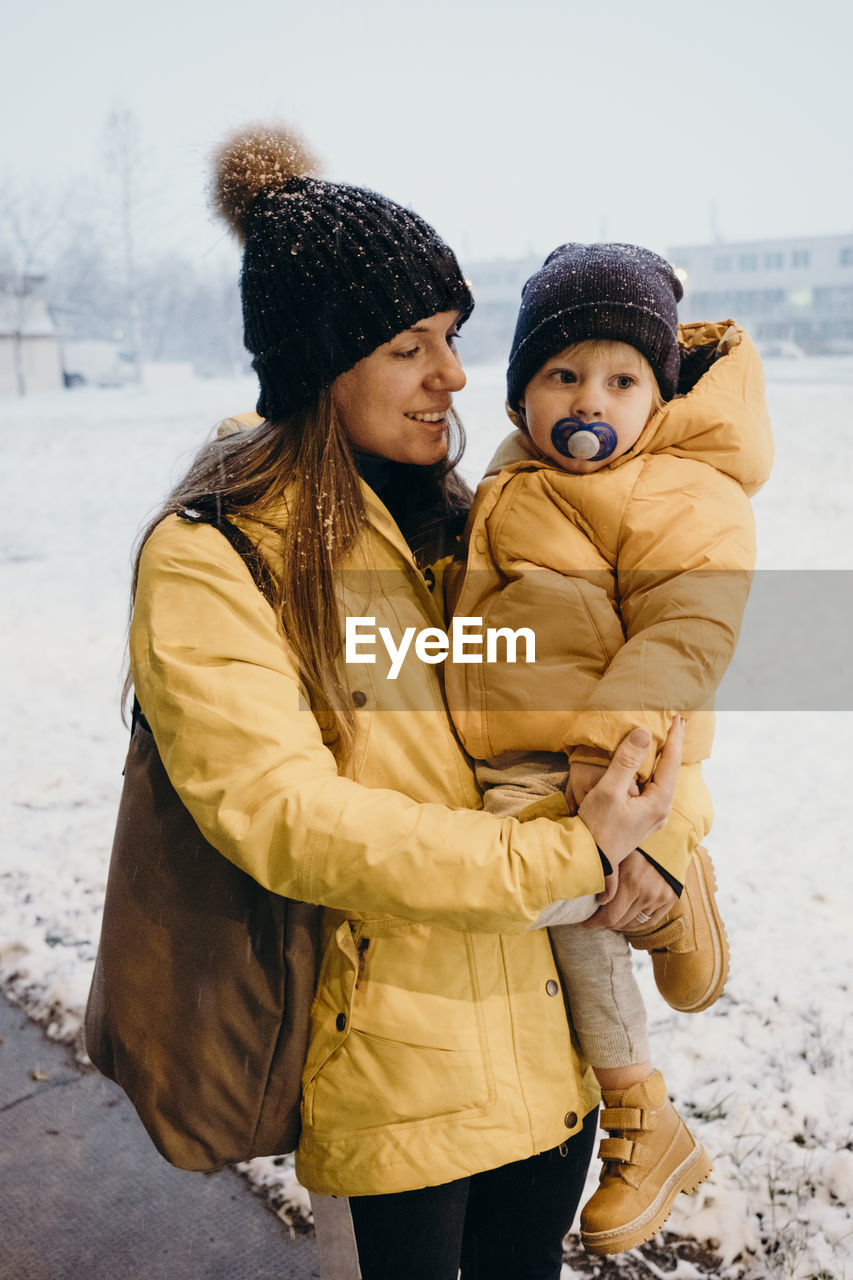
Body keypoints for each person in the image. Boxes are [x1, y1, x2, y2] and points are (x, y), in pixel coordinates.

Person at [126, 129, 683, 1280]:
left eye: (453, 339)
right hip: (391, 1070)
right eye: (407, 346)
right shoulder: (216, 554)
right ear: (317, 364)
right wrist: (559, 858)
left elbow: (578, 706)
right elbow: (280, 810)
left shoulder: (475, 524)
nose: (457, 375)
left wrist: (650, 846)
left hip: (546, 1048)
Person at [446, 242, 773, 1256]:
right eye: (562, 374)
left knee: (530, 891)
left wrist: (607, 770)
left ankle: (644, 1094)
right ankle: (646, 1108)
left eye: (621, 378)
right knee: (536, 907)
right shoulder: (511, 475)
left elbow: (685, 634)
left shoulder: (679, 487)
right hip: (521, 766)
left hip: (611, 765)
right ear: (521, 390)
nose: (590, 398)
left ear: (658, 394)